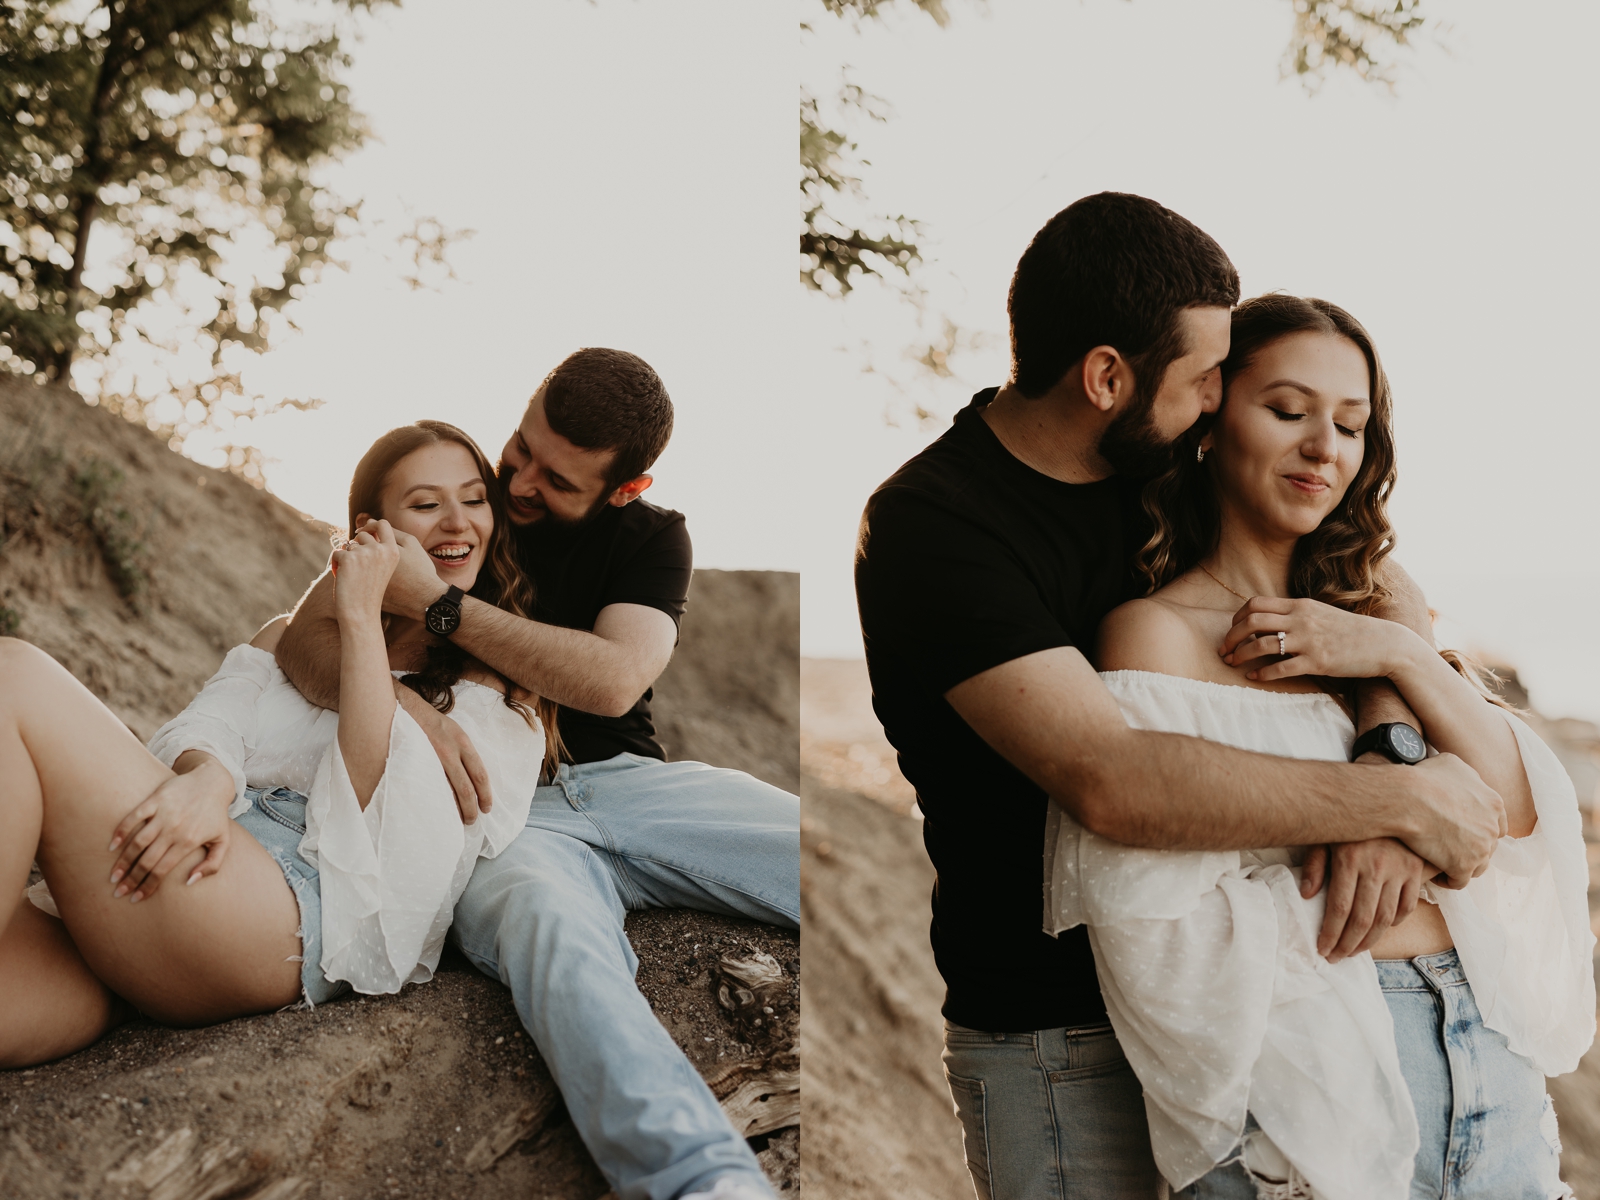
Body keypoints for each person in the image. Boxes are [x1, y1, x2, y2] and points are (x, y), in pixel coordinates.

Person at [853, 192, 1508, 1197]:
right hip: (1055, 1038)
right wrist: (1398, 804)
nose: (1218, 400)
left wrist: (1388, 742)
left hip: (1243, 1003)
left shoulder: (1152, 462)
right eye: (1206, 378)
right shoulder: (936, 527)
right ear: (1106, 376)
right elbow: (1111, 780)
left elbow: (1365, 581)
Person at [1045, 294, 1592, 1198]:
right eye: (1288, 411)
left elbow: (1517, 816)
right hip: (1316, 1076)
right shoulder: (1156, 637)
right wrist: (1390, 816)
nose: (1323, 447)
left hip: (1483, 1052)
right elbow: (1151, 923)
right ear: (1212, 422)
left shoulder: (1378, 626)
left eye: (1350, 423)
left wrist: (1392, 651)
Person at [270, 348, 798, 1200]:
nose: (516, 484)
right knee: (553, 939)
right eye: (522, 447)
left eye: (555, 480)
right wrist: (417, 714)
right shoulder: (460, 492)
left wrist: (442, 606)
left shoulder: (653, 536)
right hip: (501, 818)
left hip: (632, 783)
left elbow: (615, 675)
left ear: (626, 486)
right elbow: (303, 639)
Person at [0, 420, 550, 1062]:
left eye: (475, 499)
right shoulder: (291, 639)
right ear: (373, 531)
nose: (458, 523)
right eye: (426, 505)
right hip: (170, 898)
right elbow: (209, 719)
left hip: (279, 907)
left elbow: (372, 803)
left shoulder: (500, 695)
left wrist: (359, 615)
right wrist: (210, 778)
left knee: (15, 672)